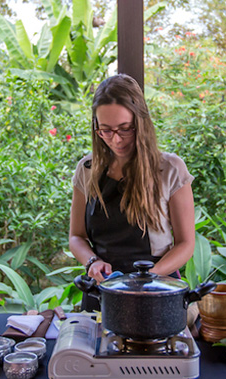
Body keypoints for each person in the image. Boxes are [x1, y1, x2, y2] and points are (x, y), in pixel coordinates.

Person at [69, 74, 196, 311]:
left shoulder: (170, 170)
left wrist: (143, 279)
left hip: (158, 290)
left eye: (125, 129)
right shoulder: (86, 170)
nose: (116, 140)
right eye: (105, 130)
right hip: (102, 290)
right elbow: (76, 236)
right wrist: (92, 262)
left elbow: (186, 244)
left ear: (141, 122)